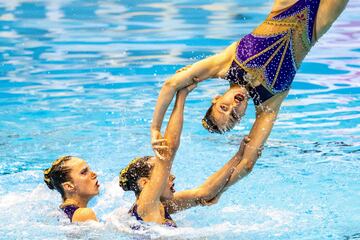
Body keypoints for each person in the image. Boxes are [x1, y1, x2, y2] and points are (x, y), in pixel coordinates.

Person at [150, 0, 349, 183]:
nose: (233, 106)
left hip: (286, 6)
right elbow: (247, 163)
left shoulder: (225, 65)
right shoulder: (269, 104)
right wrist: (219, 190)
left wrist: (155, 129)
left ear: (216, 98)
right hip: (316, 24)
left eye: (224, 107)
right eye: (235, 115)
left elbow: (171, 85)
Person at [119, 85, 251, 227]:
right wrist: (181, 95)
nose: (172, 176)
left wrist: (238, 156)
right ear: (145, 183)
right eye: (163, 174)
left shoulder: (162, 205)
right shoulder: (146, 205)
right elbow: (168, 152)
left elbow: (205, 194)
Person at [44, 156, 100, 223]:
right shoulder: (85, 214)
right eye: (84, 172)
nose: (94, 174)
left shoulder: (62, 213)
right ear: (69, 186)